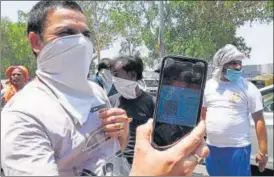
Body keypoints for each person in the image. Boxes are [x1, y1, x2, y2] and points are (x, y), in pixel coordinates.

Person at [1, 1, 130, 176]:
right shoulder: (22, 115)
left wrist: (121, 133)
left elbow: (110, 154)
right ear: (36, 42)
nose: (81, 42)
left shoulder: (96, 92)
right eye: (65, 33)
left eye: (86, 34)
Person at [202, 44, 268, 176]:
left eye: (239, 63)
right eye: (233, 63)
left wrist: (263, 152)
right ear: (221, 65)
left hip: (238, 149)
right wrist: (200, 142)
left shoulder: (248, 88)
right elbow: (203, 114)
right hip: (212, 149)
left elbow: (259, 120)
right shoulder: (209, 86)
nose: (238, 66)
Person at [110, 55, 155, 166]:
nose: (113, 80)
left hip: (142, 162)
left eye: (116, 75)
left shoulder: (152, 103)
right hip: (117, 161)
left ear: (133, 75)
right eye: (112, 75)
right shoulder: (111, 102)